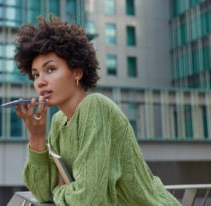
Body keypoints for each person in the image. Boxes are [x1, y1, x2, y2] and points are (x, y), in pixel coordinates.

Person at [13, 15, 181, 205]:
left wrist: (58, 192)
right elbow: (43, 193)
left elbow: (87, 199)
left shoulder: (96, 107)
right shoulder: (59, 122)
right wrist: (36, 137)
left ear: (77, 72)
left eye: (50, 69)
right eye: (35, 75)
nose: (40, 81)